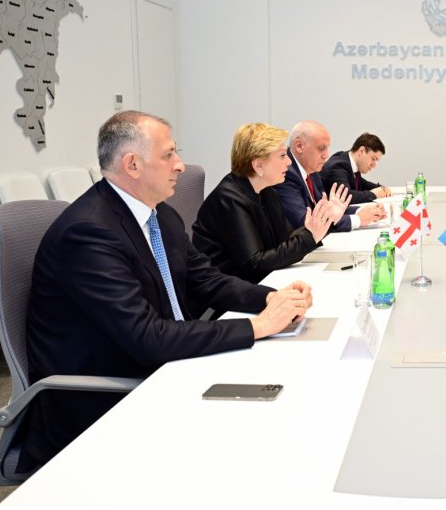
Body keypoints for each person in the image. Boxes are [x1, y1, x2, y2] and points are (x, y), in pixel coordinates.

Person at [23, 111, 313, 471]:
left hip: (163, 363)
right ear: (132, 164)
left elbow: (207, 279)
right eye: (168, 154)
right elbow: (147, 338)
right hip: (103, 400)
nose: (180, 165)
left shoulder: (160, 215)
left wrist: (271, 298)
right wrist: (259, 326)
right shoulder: (88, 233)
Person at [191, 123, 334, 283]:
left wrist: (315, 227)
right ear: (258, 165)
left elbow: (284, 240)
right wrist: (309, 236)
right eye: (282, 155)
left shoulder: (268, 192)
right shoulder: (229, 199)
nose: (288, 161)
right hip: (226, 289)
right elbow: (255, 263)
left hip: (256, 281)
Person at [275, 120, 386, 232]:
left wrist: (364, 211)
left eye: (327, 148)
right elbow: (306, 223)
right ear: (299, 146)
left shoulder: (312, 170)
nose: (326, 155)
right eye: (321, 148)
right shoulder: (286, 175)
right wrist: (358, 219)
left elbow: (327, 211)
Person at [319, 132, 393, 205]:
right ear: (361, 151)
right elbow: (345, 196)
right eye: (373, 159)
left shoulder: (349, 163)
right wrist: (374, 194)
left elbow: (362, 184)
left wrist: (381, 188)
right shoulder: (338, 166)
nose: (374, 165)